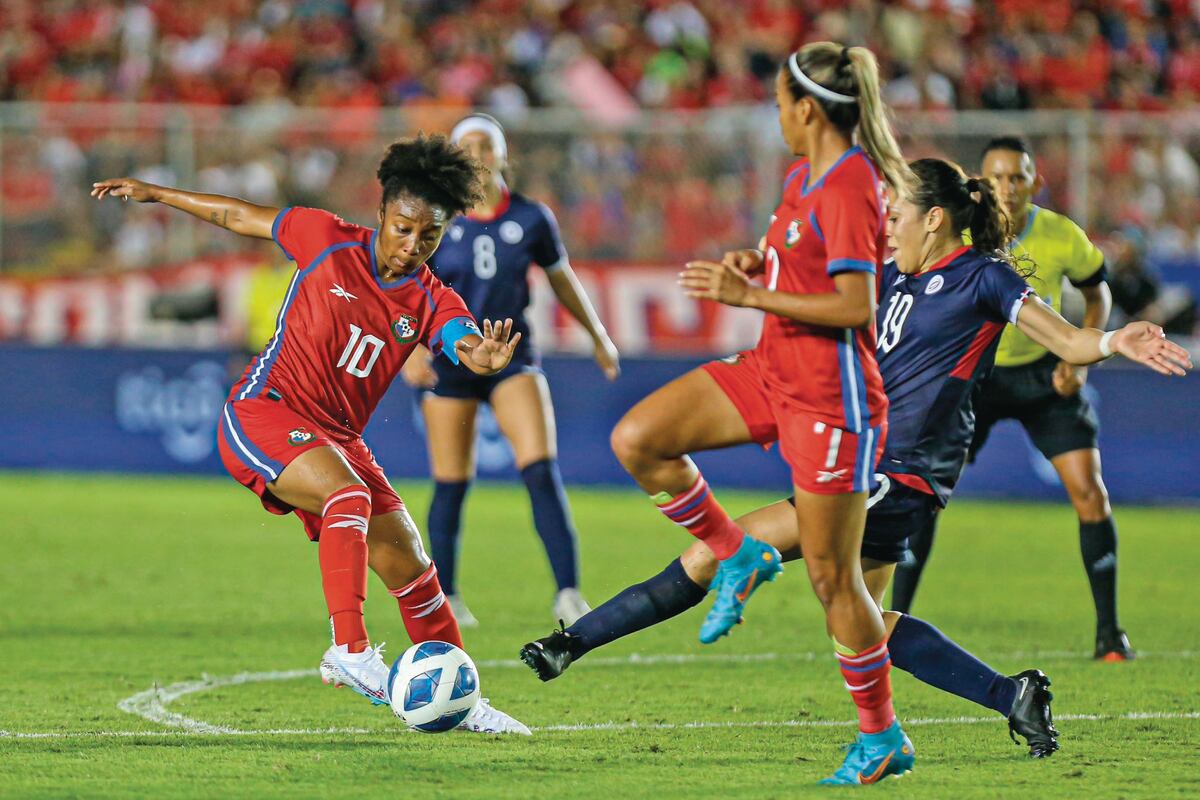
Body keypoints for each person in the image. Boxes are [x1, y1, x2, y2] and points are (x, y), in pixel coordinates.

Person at [521, 159, 1191, 763]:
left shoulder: (983, 276)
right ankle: (1011, 694)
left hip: (897, 472)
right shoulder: (891, 272)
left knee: (719, 554)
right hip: (865, 457)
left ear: (935, 219)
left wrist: (1115, 339)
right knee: (865, 622)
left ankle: (570, 644)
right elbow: (822, 279)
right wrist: (761, 264)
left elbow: (1067, 339)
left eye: (897, 213)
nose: (887, 223)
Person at [91, 135, 531, 734]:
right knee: (347, 496)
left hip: (338, 438)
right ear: (381, 213)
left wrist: (487, 358)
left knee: (414, 567)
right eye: (403, 228)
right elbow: (237, 214)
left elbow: (467, 345)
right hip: (264, 412)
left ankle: (463, 699)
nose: (411, 246)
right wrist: (157, 193)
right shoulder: (325, 239)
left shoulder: (431, 297)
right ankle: (349, 651)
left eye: (428, 237)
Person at [594, 43, 914, 785]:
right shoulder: (804, 175)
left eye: (777, 103)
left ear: (806, 108)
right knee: (640, 439)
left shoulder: (849, 183)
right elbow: (800, 267)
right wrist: (757, 265)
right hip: (773, 370)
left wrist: (750, 297)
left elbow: (855, 304)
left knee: (837, 583)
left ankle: (882, 735)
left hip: (834, 402)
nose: (774, 115)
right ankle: (735, 551)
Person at [889, 137, 1134, 661]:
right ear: (982, 183)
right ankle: (895, 618)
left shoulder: (1060, 234)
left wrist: (1079, 355)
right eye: (997, 177)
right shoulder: (964, 235)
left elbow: (1098, 291)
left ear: (1033, 183)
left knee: (1090, 493)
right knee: (918, 498)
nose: (1007, 187)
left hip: (1045, 379)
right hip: (975, 380)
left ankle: (1110, 634)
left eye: (1017, 178)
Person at [401, 113, 619, 627]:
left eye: (486, 144)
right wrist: (409, 348)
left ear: (502, 155)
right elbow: (407, 288)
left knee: (540, 469)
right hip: (451, 357)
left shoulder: (533, 217)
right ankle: (446, 597)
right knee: (451, 481)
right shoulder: (437, 216)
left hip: (512, 356)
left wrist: (598, 336)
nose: (477, 153)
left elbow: (562, 280)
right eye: (468, 145)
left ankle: (568, 593)